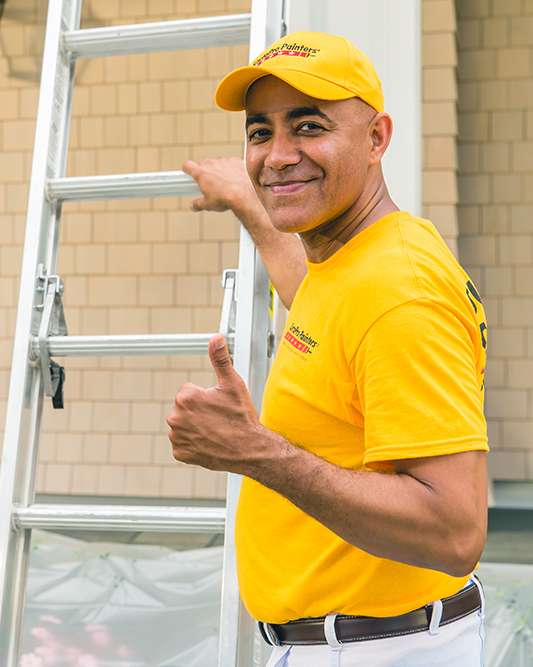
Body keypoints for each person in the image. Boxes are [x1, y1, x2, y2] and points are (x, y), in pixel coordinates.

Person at [168, 32, 489, 666]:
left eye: (308, 127)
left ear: (376, 139)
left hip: (379, 649)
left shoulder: (400, 292)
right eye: (261, 133)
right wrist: (248, 201)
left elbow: (456, 532)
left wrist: (254, 452)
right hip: (361, 639)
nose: (278, 156)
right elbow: (320, 304)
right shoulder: (351, 261)